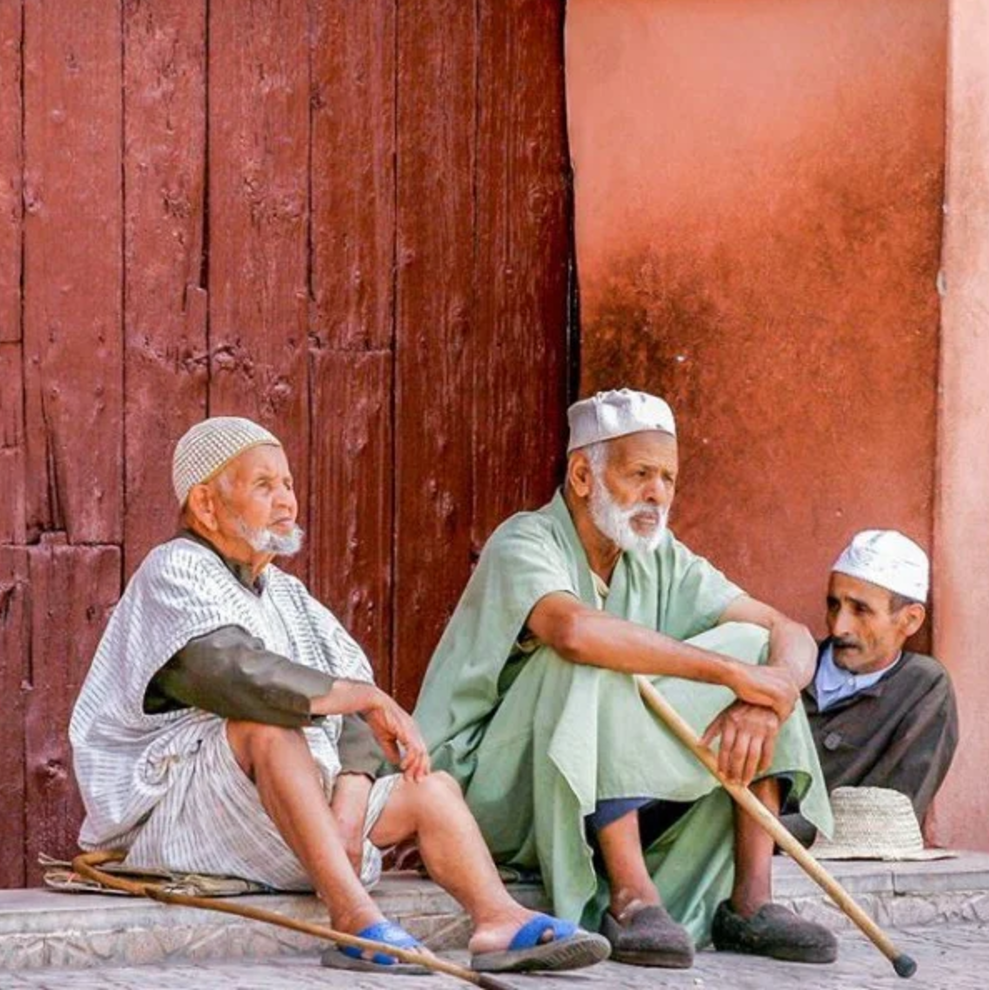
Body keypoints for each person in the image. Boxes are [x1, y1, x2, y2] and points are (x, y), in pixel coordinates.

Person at [70, 417, 610, 975]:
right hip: (184, 821)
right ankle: (354, 920)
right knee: (266, 726)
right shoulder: (174, 568)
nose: (287, 501)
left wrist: (351, 805)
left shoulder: (287, 592)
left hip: (300, 829)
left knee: (432, 789)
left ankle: (499, 920)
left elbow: (354, 693)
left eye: (288, 484)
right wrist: (358, 697)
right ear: (206, 505)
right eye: (264, 486)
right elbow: (227, 671)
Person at [413, 389, 837, 969]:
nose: (657, 493)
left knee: (755, 645)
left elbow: (785, 629)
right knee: (595, 653)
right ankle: (632, 896)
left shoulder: (658, 555)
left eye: (668, 478)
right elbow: (574, 632)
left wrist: (771, 695)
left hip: (589, 775)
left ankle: (750, 901)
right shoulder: (525, 540)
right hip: (494, 792)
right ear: (584, 475)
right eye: (641, 473)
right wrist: (733, 675)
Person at [780, 530, 958, 846]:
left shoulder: (923, 689)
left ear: (910, 620)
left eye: (861, 610)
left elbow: (884, 818)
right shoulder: (788, 663)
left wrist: (765, 834)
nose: (838, 627)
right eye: (833, 605)